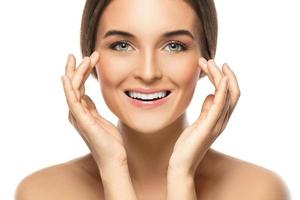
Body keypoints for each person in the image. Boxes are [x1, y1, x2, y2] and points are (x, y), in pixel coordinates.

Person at [15, 0, 290, 199]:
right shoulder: (41, 192)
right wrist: (114, 171)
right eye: (122, 45)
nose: (148, 73)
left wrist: (181, 176)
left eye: (174, 46)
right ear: (91, 61)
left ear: (205, 60)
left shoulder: (259, 191)